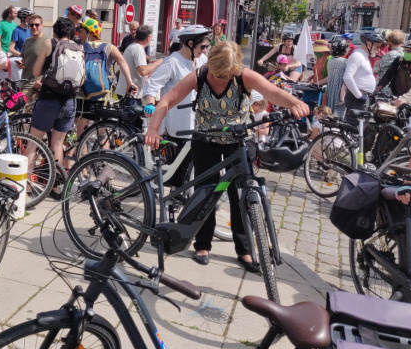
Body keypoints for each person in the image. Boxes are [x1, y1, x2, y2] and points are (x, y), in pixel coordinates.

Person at [145, 41, 309, 270]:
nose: (223, 79)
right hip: (206, 141)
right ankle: (203, 244)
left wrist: (295, 103)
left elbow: (273, 92)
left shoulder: (244, 76)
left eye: (228, 75)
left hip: (239, 143)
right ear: (210, 64)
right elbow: (168, 99)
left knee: (240, 195)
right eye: (219, 74)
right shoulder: (199, 76)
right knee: (207, 193)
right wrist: (153, 128)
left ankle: (245, 250)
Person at [28, 17, 80, 166]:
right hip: (69, 101)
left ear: (54, 31)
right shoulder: (78, 47)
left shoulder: (49, 43)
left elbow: (36, 71)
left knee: (34, 142)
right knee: (57, 144)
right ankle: (56, 186)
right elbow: (81, 79)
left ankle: (28, 187)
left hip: (48, 99)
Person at [143, 25, 211, 138]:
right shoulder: (172, 62)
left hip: (197, 120)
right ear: (190, 44)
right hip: (177, 121)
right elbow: (153, 83)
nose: (204, 50)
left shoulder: (202, 59)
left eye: (206, 47)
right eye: (202, 47)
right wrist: (150, 103)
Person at [75, 17, 138, 135]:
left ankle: (82, 153)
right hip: (103, 95)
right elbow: (122, 61)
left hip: (83, 95)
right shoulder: (109, 47)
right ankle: (104, 152)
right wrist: (130, 82)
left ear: (91, 33)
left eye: (82, 32)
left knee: (81, 132)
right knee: (102, 131)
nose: (79, 35)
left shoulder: (80, 48)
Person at [343, 31, 385, 127]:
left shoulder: (363, 56)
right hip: (357, 99)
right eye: (377, 46)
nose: (378, 50)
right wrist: (359, 96)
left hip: (363, 97)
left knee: (361, 128)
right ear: (369, 44)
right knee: (355, 129)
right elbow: (347, 76)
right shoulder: (357, 55)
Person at [116, 25, 162, 104]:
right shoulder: (138, 49)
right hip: (131, 93)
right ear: (148, 38)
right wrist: (158, 62)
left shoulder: (132, 46)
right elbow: (143, 71)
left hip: (127, 91)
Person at [378, 39, 411, 107]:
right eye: (404, 50)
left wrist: (406, 99)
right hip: (396, 96)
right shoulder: (400, 60)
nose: (406, 53)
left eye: (409, 51)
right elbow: (388, 74)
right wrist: (379, 87)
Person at [324, 36, 349, 118]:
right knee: (340, 112)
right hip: (340, 89)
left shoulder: (330, 60)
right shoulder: (345, 62)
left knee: (330, 109)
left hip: (331, 89)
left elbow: (329, 77)